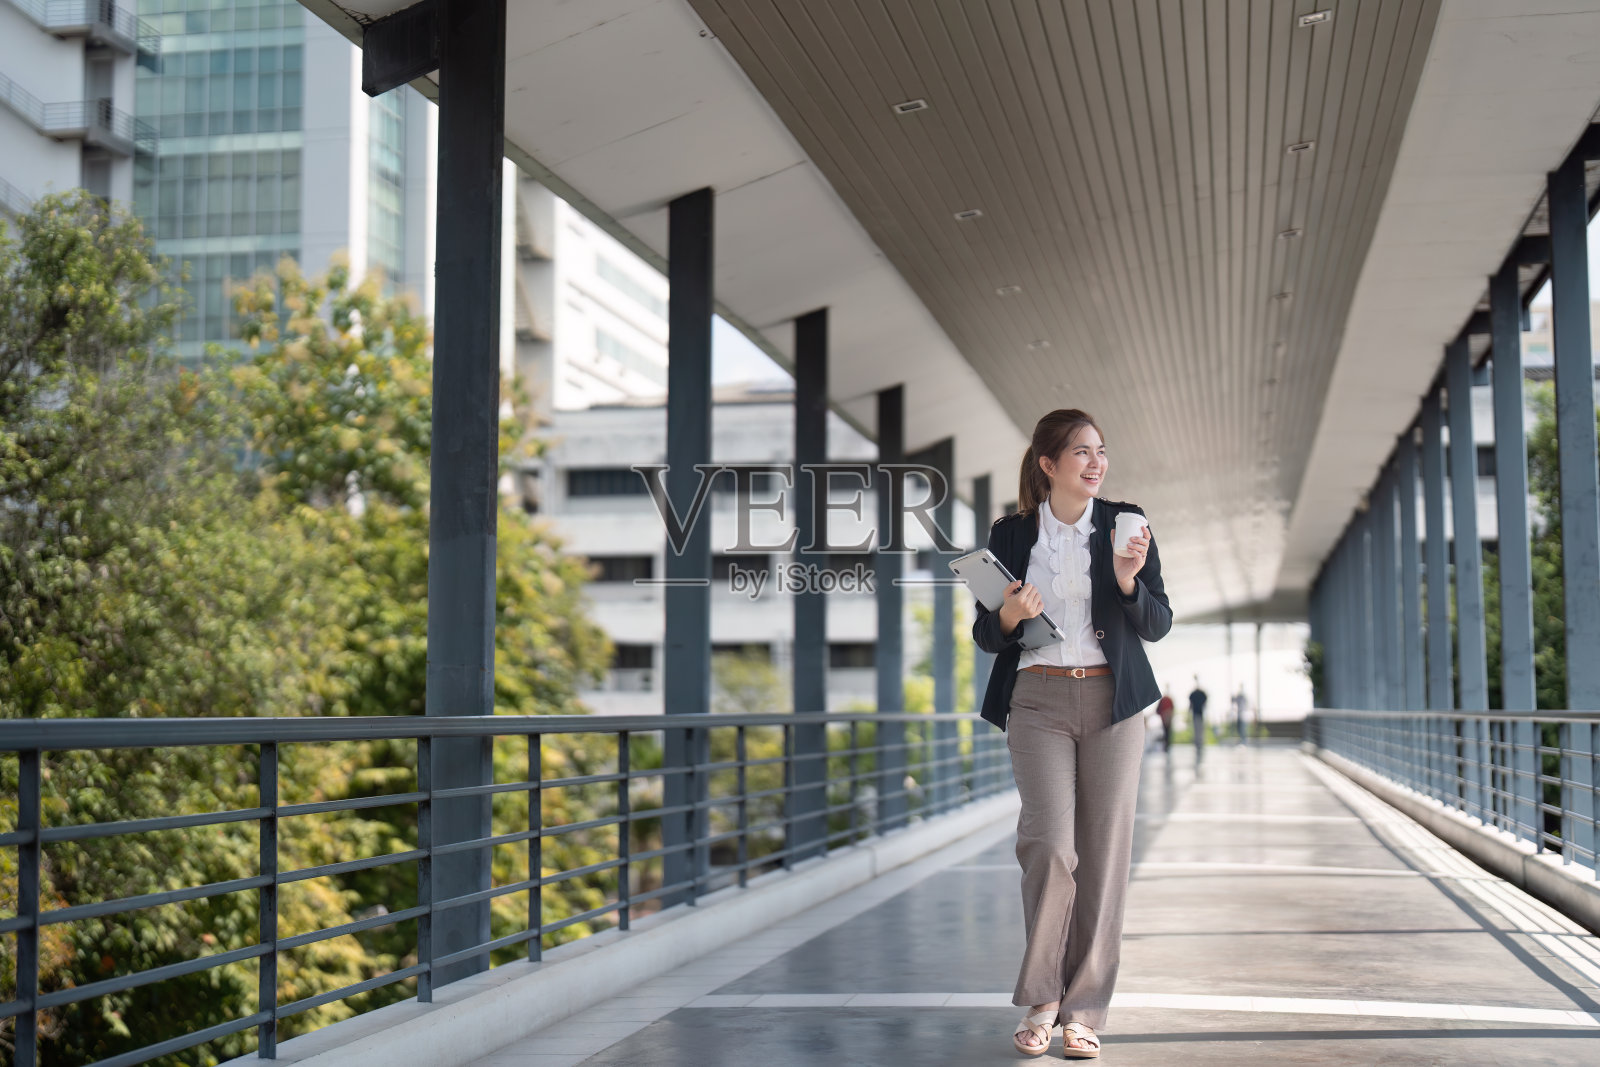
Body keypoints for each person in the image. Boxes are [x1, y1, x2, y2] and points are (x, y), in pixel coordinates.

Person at [970, 408, 1172, 1058]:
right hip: (1037, 698)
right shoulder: (1009, 534)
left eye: (1100, 450)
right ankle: (1043, 997)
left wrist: (1127, 581)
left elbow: (1158, 622)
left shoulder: (1126, 522)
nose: (1096, 462)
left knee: (1103, 853)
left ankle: (1084, 1010)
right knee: (1050, 846)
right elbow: (985, 635)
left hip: (1115, 701)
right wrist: (1009, 613)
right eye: (1081, 451)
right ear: (1048, 463)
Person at [1188, 677, 1208, 756]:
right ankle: (1198, 744)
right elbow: (1191, 704)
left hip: (1198, 713)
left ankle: (1199, 743)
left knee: (1199, 729)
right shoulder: (1194, 694)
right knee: (1198, 729)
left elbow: (1191, 704)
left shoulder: (1199, 694)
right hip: (1197, 713)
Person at [1156, 688, 1175, 752]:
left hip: (1165, 717)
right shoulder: (1167, 699)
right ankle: (1167, 745)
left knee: (1166, 732)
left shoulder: (1166, 699)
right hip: (1166, 717)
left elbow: (1158, 709)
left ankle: (1167, 745)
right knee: (1167, 732)